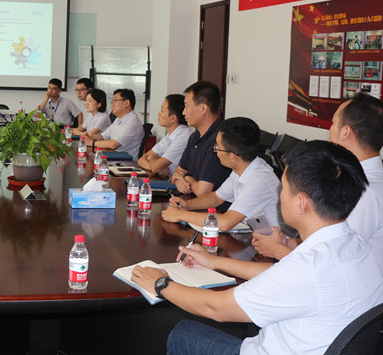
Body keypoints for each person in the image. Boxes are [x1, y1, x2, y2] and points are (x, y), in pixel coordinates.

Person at [132, 141, 383, 355]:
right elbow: (280, 275)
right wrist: (214, 261)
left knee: (183, 332)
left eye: (284, 188)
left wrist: (161, 284)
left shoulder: (307, 269)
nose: (280, 194)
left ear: (300, 203)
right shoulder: (354, 244)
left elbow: (215, 307)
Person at [253, 92, 383, 271]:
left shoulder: (364, 191)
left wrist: (278, 251)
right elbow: (327, 242)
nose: (329, 130)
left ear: (346, 132)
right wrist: (291, 243)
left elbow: (334, 263)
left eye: (333, 123)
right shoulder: (364, 178)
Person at [162, 117, 281, 231]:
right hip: (255, 237)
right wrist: (186, 204)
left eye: (218, 147)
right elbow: (215, 198)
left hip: (274, 243)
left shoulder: (259, 180)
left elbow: (225, 222)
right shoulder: (241, 169)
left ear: (233, 156)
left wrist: (180, 215)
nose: (215, 151)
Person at [171, 81, 229, 197]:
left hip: (213, 206)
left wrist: (186, 178)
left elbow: (203, 191)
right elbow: (178, 173)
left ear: (203, 108)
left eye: (186, 105)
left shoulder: (219, 140)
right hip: (192, 200)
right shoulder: (194, 136)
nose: (183, 112)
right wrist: (178, 181)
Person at [138, 94, 192, 177]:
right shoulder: (169, 136)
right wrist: (153, 166)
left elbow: (155, 167)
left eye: (162, 110)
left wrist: (152, 158)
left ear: (173, 118)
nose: (158, 113)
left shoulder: (184, 137)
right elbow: (141, 160)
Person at [85, 89, 144, 161]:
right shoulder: (118, 119)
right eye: (112, 101)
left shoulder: (132, 123)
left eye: (115, 101)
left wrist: (91, 142)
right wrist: (88, 136)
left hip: (124, 162)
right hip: (114, 156)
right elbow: (102, 136)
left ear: (126, 103)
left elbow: (114, 144)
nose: (112, 105)